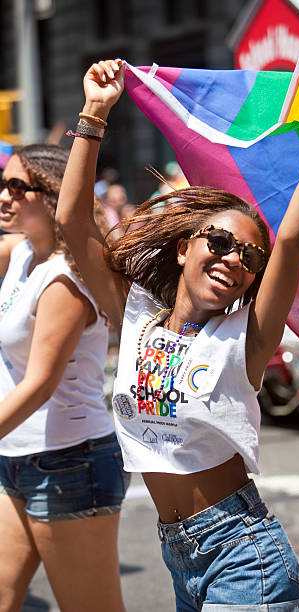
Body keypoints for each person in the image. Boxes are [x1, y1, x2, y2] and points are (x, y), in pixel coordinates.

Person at [56, 58, 299, 611]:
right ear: (185, 248)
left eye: (250, 257)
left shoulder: (245, 338)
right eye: (220, 242)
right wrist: (94, 112)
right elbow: (72, 224)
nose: (234, 259)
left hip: (243, 556)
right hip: (180, 557)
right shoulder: (135, 313)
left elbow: (295, 238)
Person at [0, 144, 129, 612]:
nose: (4, 195)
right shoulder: (22, 256)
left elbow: (40, 384)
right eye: (3, 183)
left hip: (69, 463)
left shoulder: (64, 280)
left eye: (18, 186)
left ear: (52, 195)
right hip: (15, 457)